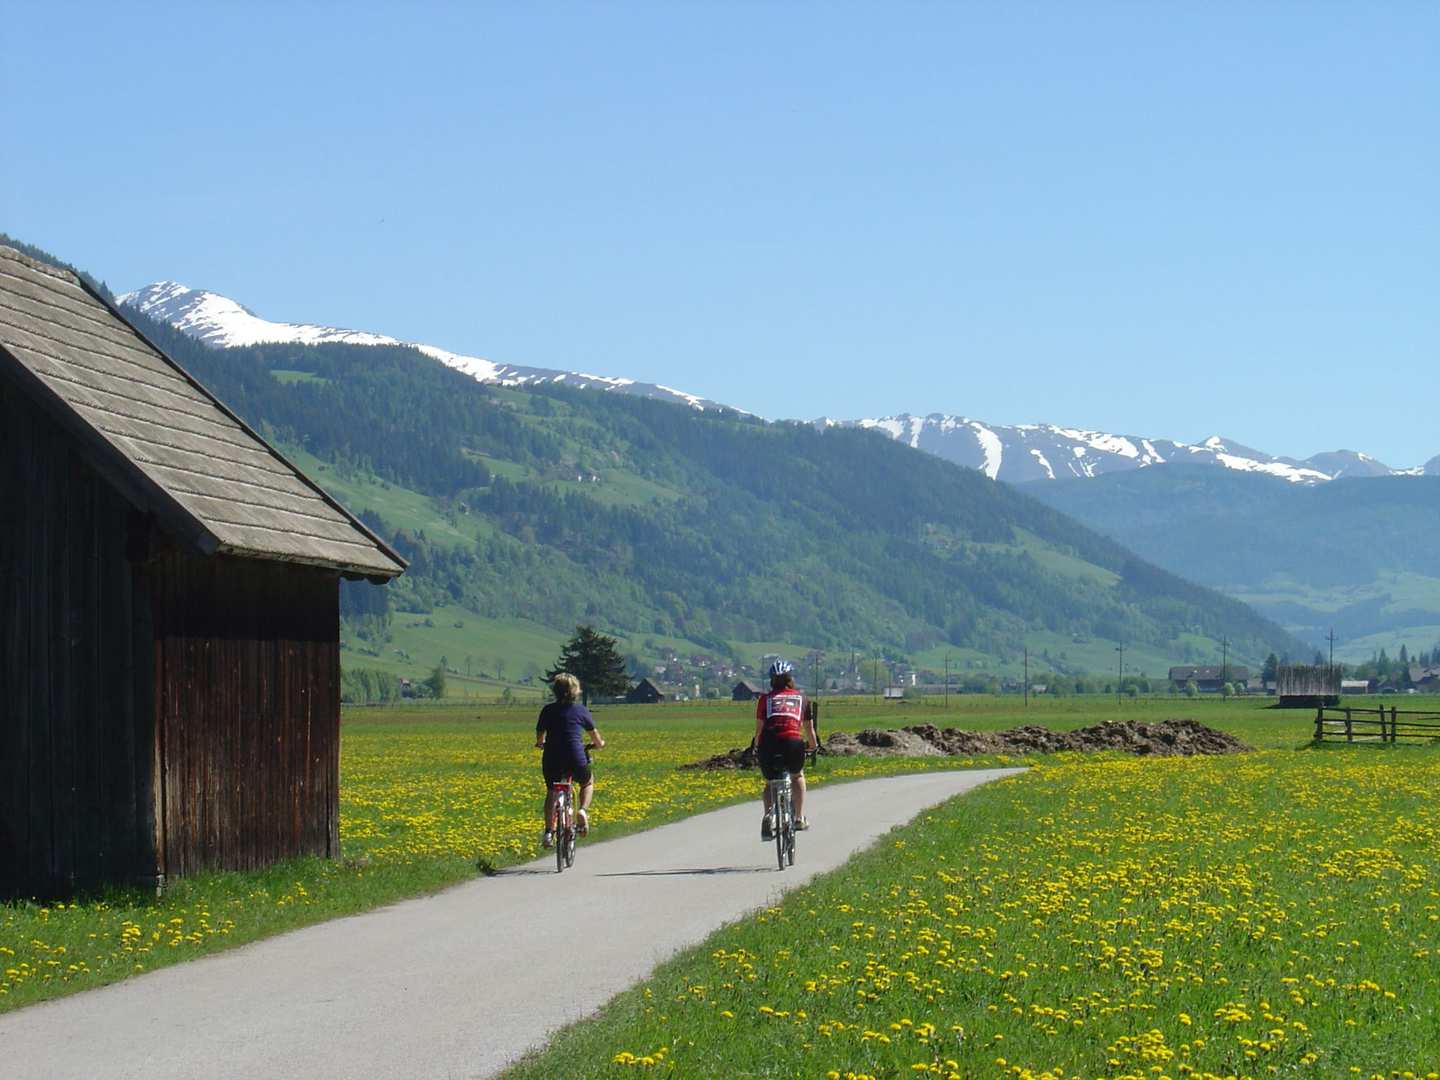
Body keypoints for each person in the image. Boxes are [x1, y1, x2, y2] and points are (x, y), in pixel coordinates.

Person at [535, 672, 604, 848]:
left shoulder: (547, 710)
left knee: (552, 791)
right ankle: (582, 810)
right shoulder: (581, 710)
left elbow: (540, 736)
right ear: (576, 691)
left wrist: (540, 743)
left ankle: (549, 832)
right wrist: (598, 744)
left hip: (553, 758)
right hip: (575, 756)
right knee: (587, 782)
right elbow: (595, 737)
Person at [754, 659, 819, 840]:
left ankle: (769, 816)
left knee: (770, 783)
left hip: (769, 742)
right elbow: (809, 730)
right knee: (797, 775)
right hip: (792, 741)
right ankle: (798, 817)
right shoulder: (802, 699)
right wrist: (813, 747)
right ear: (791, 679)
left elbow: (759, 730)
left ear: (771, 680)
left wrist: (757, 749)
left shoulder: (765, 700)